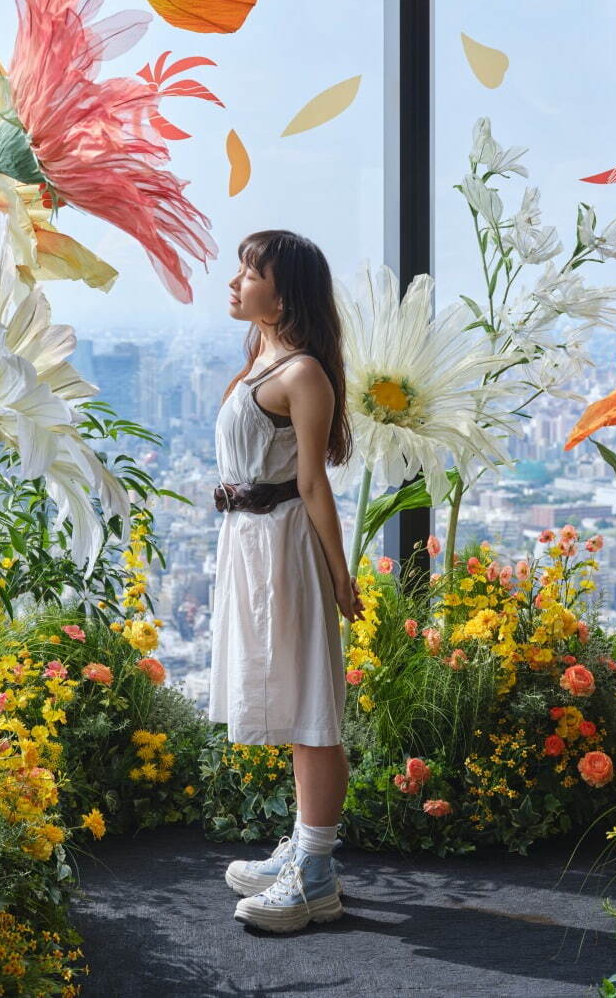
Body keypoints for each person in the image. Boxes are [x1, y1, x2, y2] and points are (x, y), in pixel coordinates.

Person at [207, 229, 364, 933]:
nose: (236, 280)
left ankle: (317, 875)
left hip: (286, 546)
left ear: (284, 292)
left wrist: (339, 574)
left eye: (251, 270)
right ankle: (303, 849)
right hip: (251, 543)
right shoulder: (262, 356)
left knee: (311, 708)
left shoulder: (302, 374)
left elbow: (312, 483)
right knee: (296, 700)